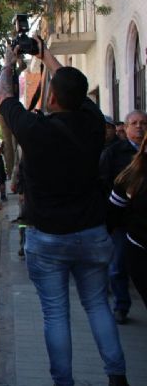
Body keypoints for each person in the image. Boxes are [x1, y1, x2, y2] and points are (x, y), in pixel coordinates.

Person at [0, 39, 128, 386]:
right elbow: (75, 89)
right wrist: (46, 55)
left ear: (51, 97)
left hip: (49, 237)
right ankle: (117, 375)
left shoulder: (33, 129)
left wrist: (10, 62)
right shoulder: (92, 122)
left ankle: (63, 381)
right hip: (91, 232)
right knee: (97, 305)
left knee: (56, 314)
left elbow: (3, 97)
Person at [100, 109, 147, 324]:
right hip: (122, 222)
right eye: (134, 123)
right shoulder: (114, 153)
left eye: (143, 123)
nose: (139, 127)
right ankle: (121, 305)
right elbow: (106, 183)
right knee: (118, 265)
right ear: (126, 128)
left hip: (140, 224)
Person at [108, 131, 147, 310]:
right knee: (118, 269)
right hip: (139, 247)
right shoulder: (133, 174)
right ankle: (121, 305)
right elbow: (113, 211)